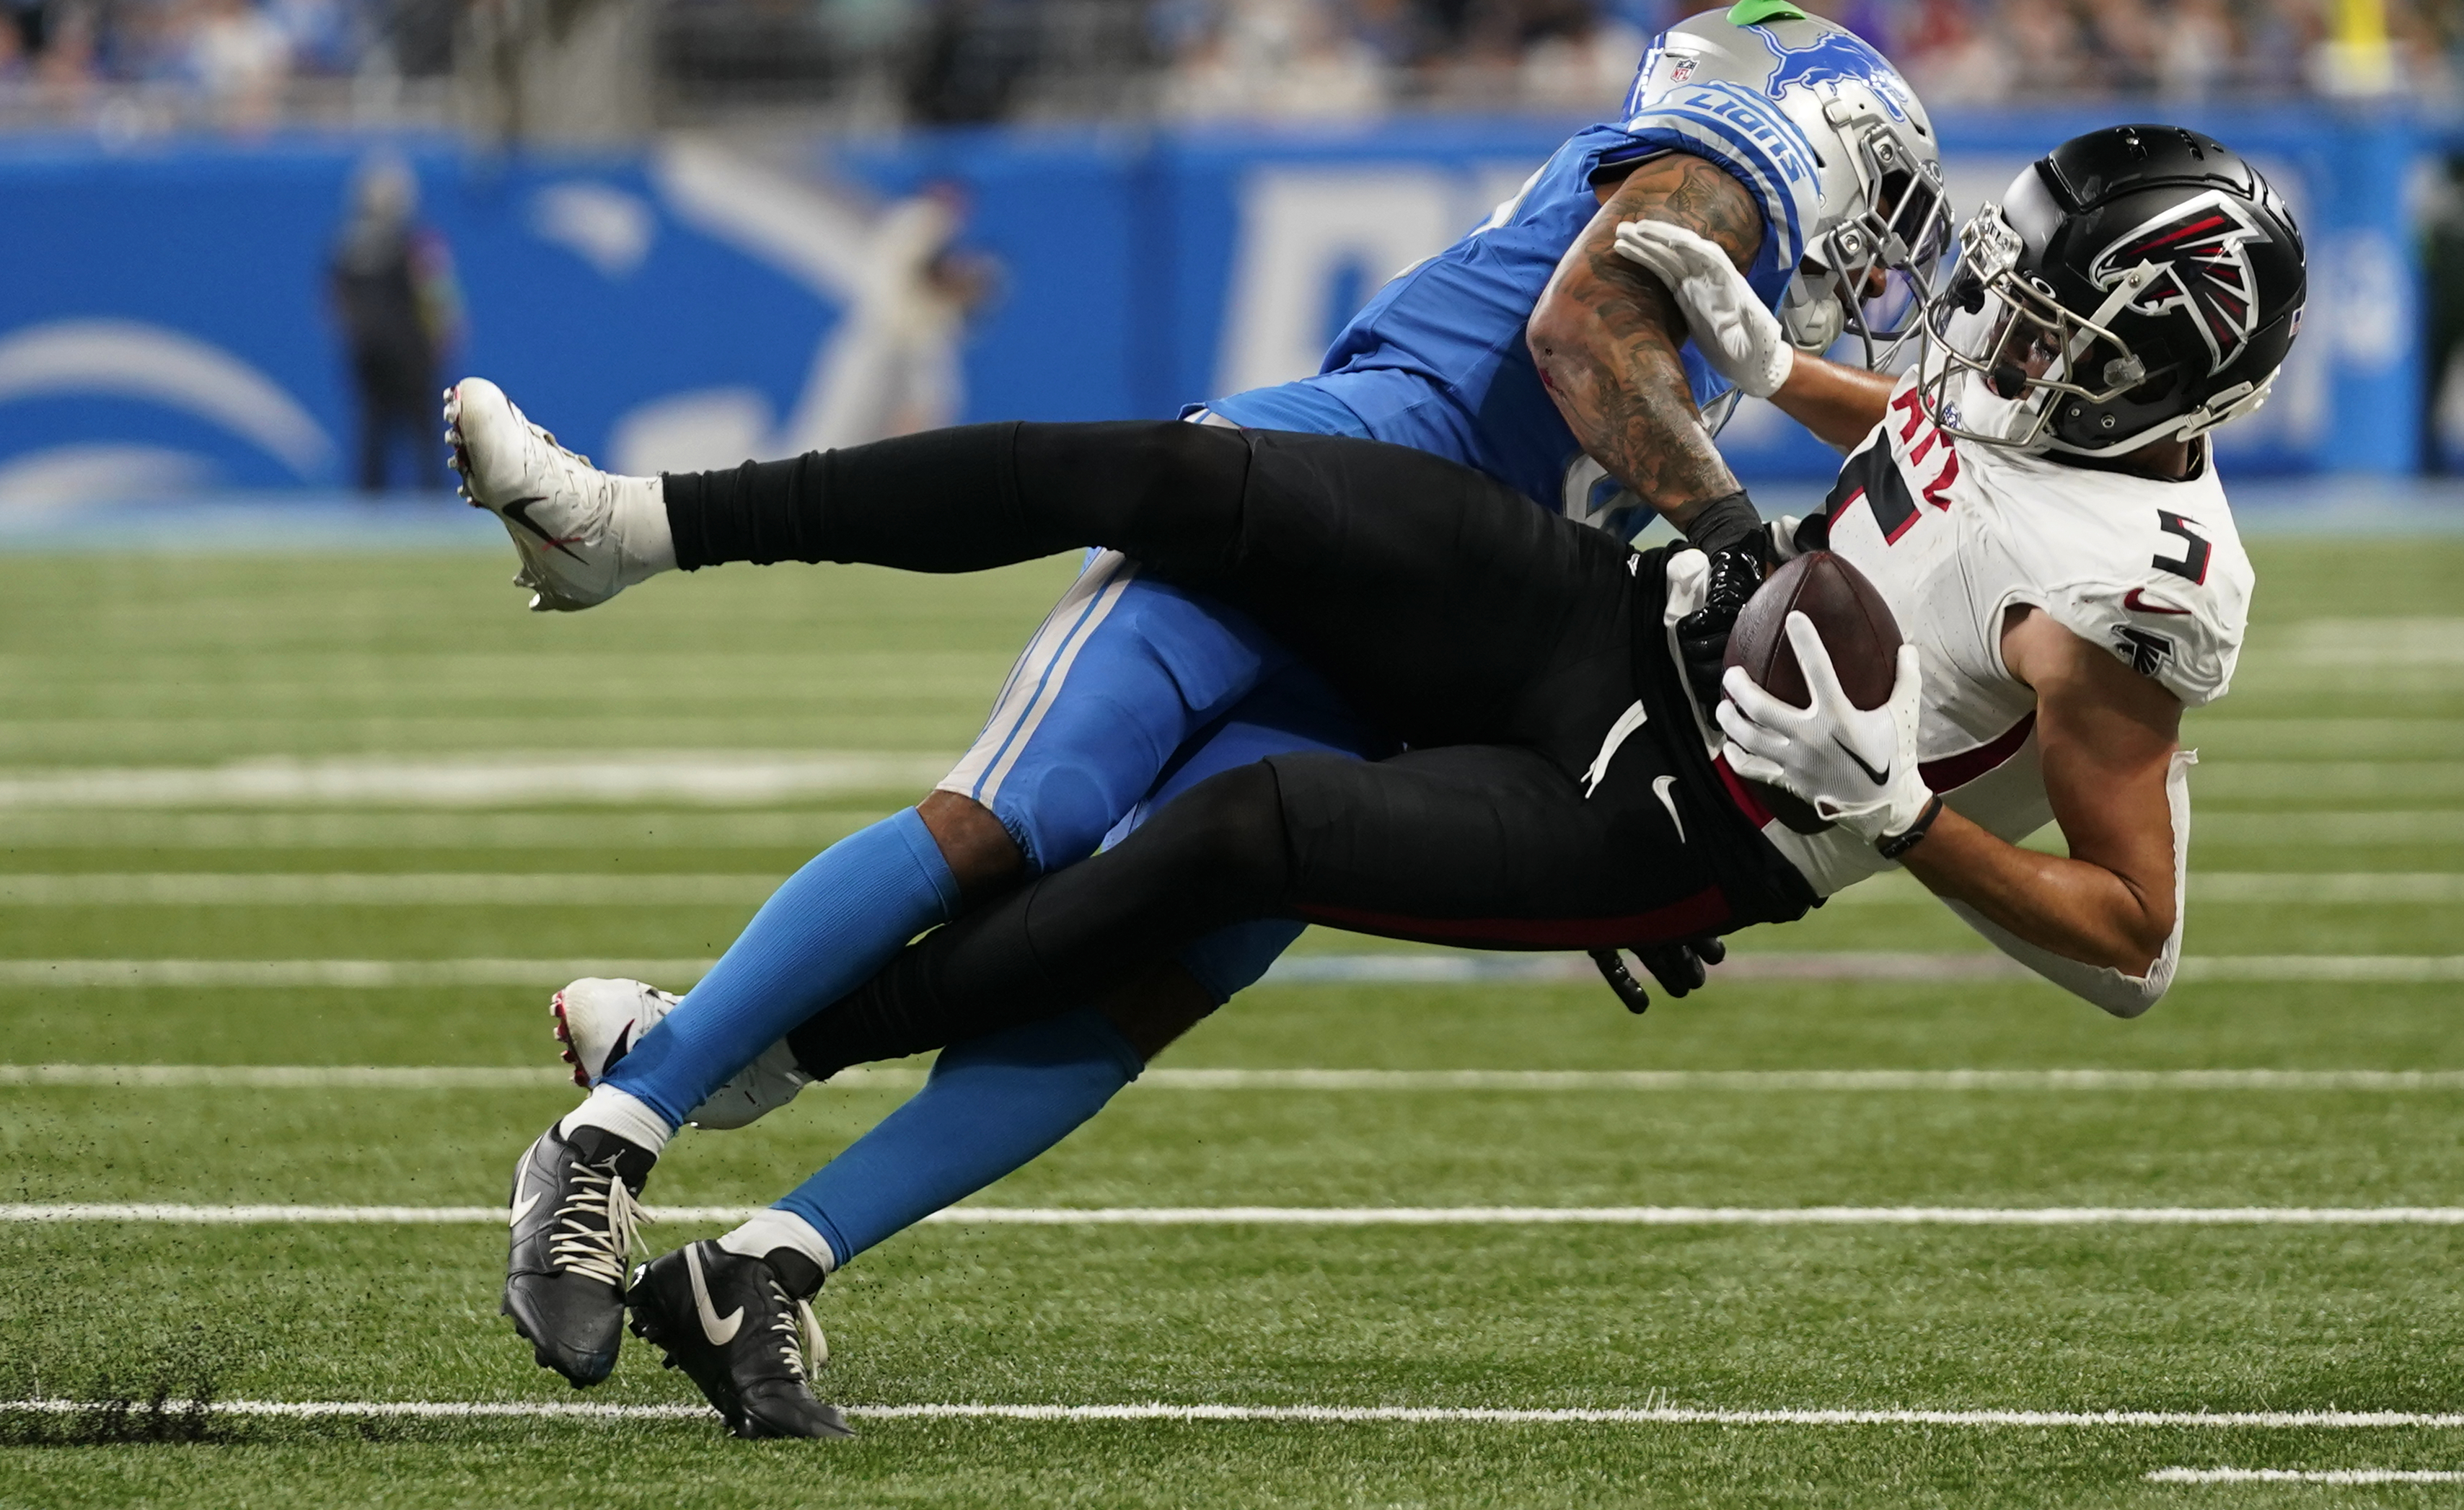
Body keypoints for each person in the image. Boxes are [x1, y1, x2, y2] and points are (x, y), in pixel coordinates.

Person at [464, 123, 2303, 1440]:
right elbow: (1955, 449)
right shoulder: (2048, 398)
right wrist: (1789, 370)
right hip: (1614, 617)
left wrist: (1901, 818)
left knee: (1243, 848)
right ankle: (643, 532)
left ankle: (758, 1176)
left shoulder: (2128, 599)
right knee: (1197, 475)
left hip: (1690, 816)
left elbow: (2131, 941)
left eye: (2051, 329)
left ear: (2158, 375)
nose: (1996, 338)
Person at [330, 156, 462, 493]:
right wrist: (444, 335)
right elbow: (437, 295)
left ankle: (370, 503)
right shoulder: (417, 243)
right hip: (410, 350)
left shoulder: (348, 245)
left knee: (374, 429)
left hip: (369, 351)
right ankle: (430, 499)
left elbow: (335, 300)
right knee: (422, 430)